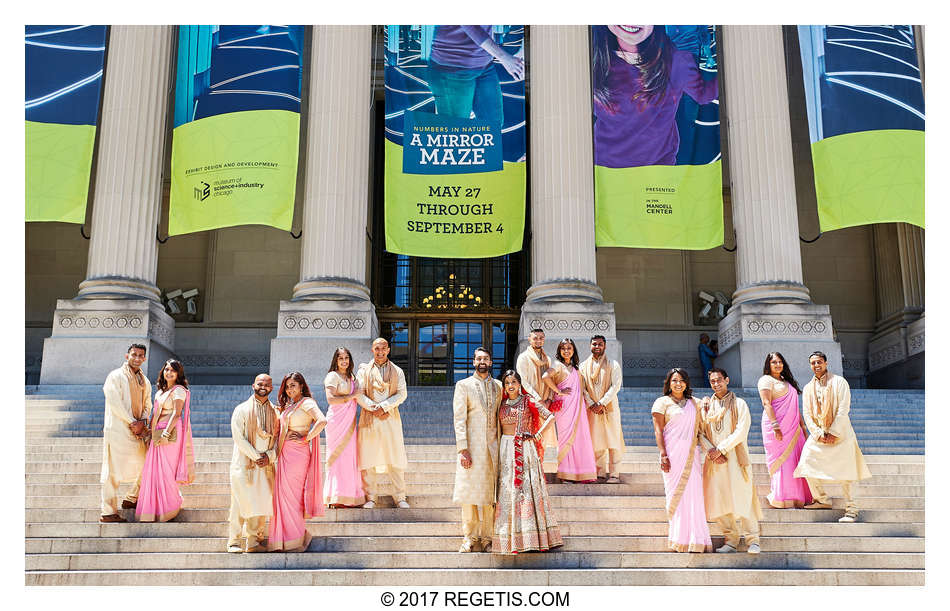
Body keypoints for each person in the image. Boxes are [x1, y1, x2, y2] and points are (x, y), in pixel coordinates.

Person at [591, 25, 719, 168]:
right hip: (605, 173)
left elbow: (704, 94)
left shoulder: (677, 61)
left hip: (658, 174)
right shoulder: (593, 60)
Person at [795, 352, 872, 522]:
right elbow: (807, 414)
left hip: (842, 434)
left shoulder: (839, 382)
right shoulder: (808, 388)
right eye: (813, 363)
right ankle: (821, 499)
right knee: (806, 463)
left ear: (826, 363)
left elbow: (844, 409)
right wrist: (817, 433)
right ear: (810, 365)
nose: (816, 365)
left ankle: (851, 510)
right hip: (819, 436)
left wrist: (833, 432)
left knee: (847, 473)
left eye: (819, 362)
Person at [492, 370, 563, 554]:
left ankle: (532, 537)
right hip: (506, 449)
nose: (510, 386)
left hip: (524, 448)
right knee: (508, 491)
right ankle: (511, 539)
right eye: (507, 383)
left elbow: (550, 416)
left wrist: (537, 435)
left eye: (514, 382)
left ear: (519, 383)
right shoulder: (501, 403)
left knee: (526, 491)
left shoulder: (527, 400)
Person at [699, 368, 763, 554]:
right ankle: (731, 540)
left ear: (727, 380)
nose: (716, 384)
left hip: (735, 458)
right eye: (712, 381)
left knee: (743, 497)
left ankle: (753, 540)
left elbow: (742, 431)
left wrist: (721, 449)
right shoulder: (707, 406)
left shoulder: (740, 404)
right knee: (719, 499)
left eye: (719, 380)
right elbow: (700, 432)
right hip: (715, 461)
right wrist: (711, 451)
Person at [651, 368, 711, 553]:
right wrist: (663, 454)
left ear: (687, 383)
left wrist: (708, 400)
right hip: (672, 456)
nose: (678, 384)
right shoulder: (661, 403)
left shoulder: (695, 403)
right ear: (669, 383)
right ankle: (678, 538)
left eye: (682, 380)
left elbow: (711, 408)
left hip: (691, 456)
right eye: (675, 380)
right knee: (675, 496)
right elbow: (658, 431)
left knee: (693, 495)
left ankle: (696, 539)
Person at [268, 372, 327, 552]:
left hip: (298, 455)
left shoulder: (307, 402)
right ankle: (283, 540)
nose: (290, 389)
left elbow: (322, 420)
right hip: (285, 454)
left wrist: (306, 437)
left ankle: (294, 539)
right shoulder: (291, 405)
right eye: (287, 386)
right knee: (282, 497)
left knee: (292, 498)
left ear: (301, 386)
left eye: (293, 385)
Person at [452, 347, 502, 553]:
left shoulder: (499, 386)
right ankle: (470, 537)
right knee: (469, 496)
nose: (482, 361)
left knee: (491, 497)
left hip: (493, 449)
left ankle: (488, 538)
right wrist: (463, 448)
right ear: (473, 362)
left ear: (490, 362)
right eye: (479, 358)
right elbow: (459, 418)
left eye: (486, 359)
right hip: (471, 449)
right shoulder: (463, 385)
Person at [427, 26, 524, 127]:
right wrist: (504, 57)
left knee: (493, 125)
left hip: (484, 65)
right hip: (452, 68)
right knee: (455, 130)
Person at [136, 359, 195, 522]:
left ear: (178, 374)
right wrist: (150, 433)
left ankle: (169, 507)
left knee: (166, 471)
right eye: (167, 369)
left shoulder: (178, 391)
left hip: (171, 433)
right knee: (154, 470)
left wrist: (165, 434)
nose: (169, 373)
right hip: (157, 432)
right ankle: (153, 510)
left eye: (173, 370)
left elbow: (176, 414)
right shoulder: (160, 392)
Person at [227, 374, 279, 553]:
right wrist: (256, 456)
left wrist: (270, 457)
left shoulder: (276, 412)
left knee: (261, 503)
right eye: (260, 383)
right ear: (253, 385)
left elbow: (280, 440)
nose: (263, 386)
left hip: (266, 466)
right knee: (239, 503)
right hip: (244, 464)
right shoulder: (241, 409)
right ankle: (234, 541)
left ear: (271, 388)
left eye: (267, 384)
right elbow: (238, 437)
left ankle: (253, 541)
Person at [99, 344, 151, 523]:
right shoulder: (115, 376)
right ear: (127, 355)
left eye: (140, 356)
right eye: (134, 354)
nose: (137, 358)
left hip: (137, 431)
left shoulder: (145, 380)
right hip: (119, 429)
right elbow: (114, 401)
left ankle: (131, 498)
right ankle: (108, 511)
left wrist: (142, 422)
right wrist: (131, 422)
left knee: (148, 464)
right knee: (112, 470)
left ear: (144, 359)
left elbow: (147, 404)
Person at [356, 338, 410, 508]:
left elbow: (402, 394)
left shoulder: (397, 371)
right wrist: (373, 407)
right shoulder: (363, 371)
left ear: (388, 350)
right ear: (372, 350)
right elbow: (358, 393)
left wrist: (384, 406)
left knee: (395, 458)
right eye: (377, 349)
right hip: (369, 419)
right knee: (368, 458)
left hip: (390, 419)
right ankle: (371, 497)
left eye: (383, 349)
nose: (380, 352)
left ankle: (400, 497)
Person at [757, 352, 813, 508]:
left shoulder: (786, 381)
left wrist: (802, 426)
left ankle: (799, 497)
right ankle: (781, 497)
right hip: (776, 425)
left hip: (793, 426)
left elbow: (795, 406)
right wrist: (776, 427)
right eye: (774, 362)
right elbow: (766, 403)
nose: (778, 365)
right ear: (768, 364)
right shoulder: (765, 380)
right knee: (783, 461)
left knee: (795, 460)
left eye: (780, 361)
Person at [541, 339, 597, 483]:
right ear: (559, 351)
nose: (566, 351)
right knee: (566, 440)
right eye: (563, 348)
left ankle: (580, 473)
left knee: (580, 439)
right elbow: (545, 376)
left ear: (573, 350)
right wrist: (558, 391)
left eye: (569, 348)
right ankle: (566, 474)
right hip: (565, 408)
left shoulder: (576, 368)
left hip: (578, 409)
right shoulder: (558, 365)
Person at [323, 347, 367, 508]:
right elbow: (331, 399)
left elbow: (361, 388)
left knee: (349, 457)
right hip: (336, 422)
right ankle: (335, 496)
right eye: (340, 358)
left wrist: (364, 369)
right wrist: (351, 396)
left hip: (349, 422)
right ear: (335, 360)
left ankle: (350, 496)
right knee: (336, 458)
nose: (344, 361)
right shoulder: (332, 376)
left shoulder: (351, 377)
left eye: (346, 358)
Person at [579, 335, 626, 483]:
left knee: (613, 442)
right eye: (594, 344)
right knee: (596, 441)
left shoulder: (613, 364)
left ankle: (614, 474)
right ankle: (599, 473)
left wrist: (602, 403)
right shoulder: (583, 366)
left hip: (610, 409)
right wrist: (592, 403)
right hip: (592, 409)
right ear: (590, 346)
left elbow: (616, 386)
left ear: (605, 346)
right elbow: (583, 388)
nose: (597, 347)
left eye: (600, 344)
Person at [515, 328, 558, 476]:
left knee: (543, 437)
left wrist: (549, 399)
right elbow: (523, 381)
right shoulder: (523, 358)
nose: (538, 340)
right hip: (531, 403)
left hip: (545, 403)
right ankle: (530, 470)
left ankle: (539, 468)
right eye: (535, 338)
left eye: (541, 338)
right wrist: (538, 400)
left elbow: (552, 382)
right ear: (529, 339)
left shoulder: (548, 359)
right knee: (531, 436)